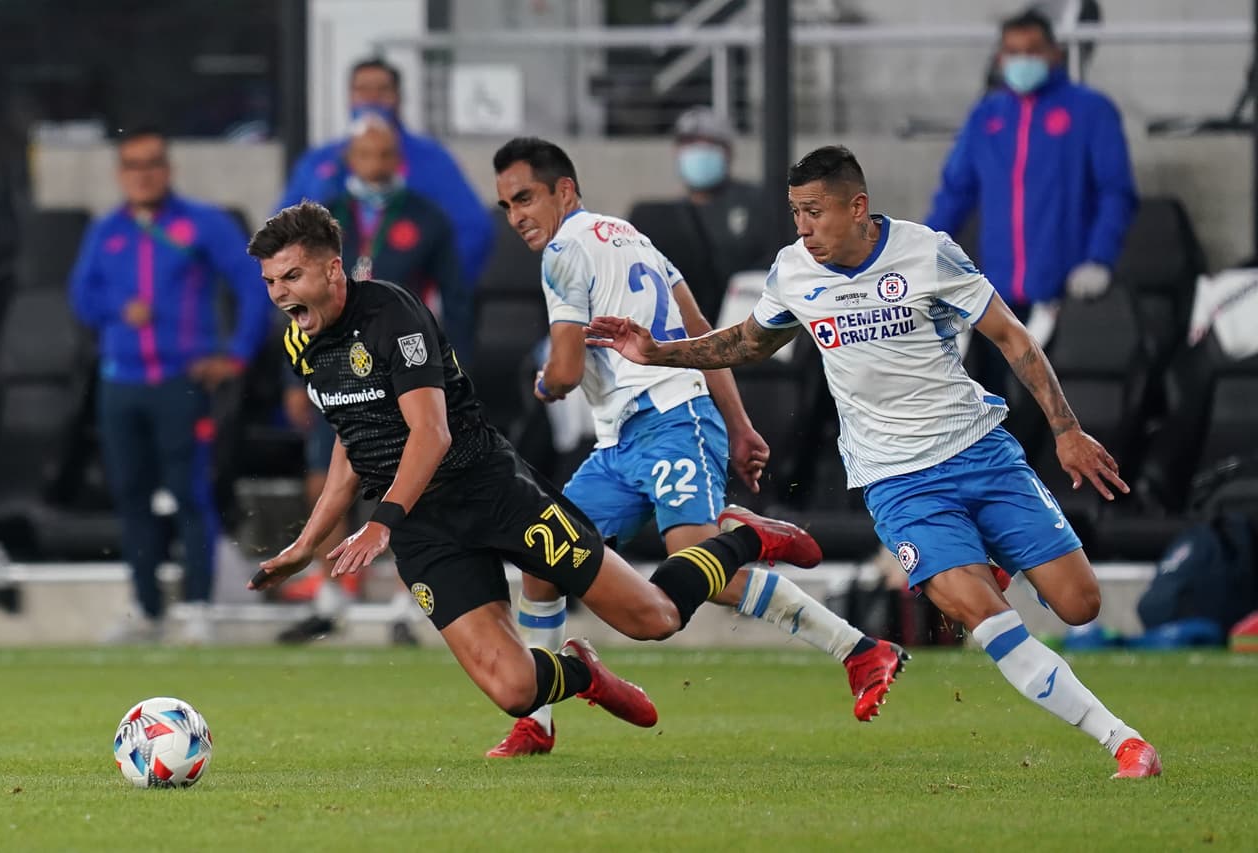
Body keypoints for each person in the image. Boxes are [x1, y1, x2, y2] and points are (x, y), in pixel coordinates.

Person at [586, 145, 1162, 779]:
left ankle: (983, 555)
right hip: (897, 482)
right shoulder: (794, 271)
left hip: (980, 452)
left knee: (1081, 605)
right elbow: (749, 342)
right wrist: (657, 351)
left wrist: (1067, 430)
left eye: (813, 212)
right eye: (794, 213)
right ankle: (1123, 741)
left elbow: (1011, 336)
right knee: (985, 618)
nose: (802, 228)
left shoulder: (926, 252)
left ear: (856, 207)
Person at [246, 201, 825, 742]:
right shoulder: (302, 342)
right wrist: (305, 545)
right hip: (425, 528)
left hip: (491, 492)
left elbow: (432, 432)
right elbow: (355, 436)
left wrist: (380, 524)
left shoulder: (392, 315)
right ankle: (583, 675)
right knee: (515, 690)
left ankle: (749, 536)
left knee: (654, 619)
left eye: (291, 277)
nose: (279, 294)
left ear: (333, 269)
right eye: (271, 281)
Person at [485, 136, 909, 758]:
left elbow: (567, 371)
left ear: (564, 192)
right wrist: (739, 425)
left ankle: (858, 647)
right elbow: (701, 331)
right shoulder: (632, 237)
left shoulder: (563, 253)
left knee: (695, 567)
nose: (518, 214)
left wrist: (545, 382)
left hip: (673, 420)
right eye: (506, 206)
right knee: (543, 564)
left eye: (525, 198)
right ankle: (538, 723)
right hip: (624, 437)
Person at [69, 126, 272, 644]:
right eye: (133, 165)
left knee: (190, 493)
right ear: (121, 174)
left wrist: (237, 355)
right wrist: (119, 310)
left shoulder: (201, 223)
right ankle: (146, 608)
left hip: (180, 383)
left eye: (153, 163)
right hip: (122, 383)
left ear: (168, 169)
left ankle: (199, 606)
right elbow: (81, 300)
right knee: (132, 496)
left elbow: (253, 284)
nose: (144, 174)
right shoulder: (107, 230)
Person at [276, 114, 470, 644]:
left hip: (406, 368)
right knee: (324, 478)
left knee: (415, 478)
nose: (376, 167)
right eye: (366, 157)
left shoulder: (427, 219)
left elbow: (456, 299)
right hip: (336, 366)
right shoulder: (326, 220)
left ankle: (410, 604)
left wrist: (457, 369)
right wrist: (293, 381)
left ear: (396, 161)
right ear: (349, 162)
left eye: (384, 156)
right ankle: (331, 595)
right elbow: (293, 303)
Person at [925, 9, 1136, 394]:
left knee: (1052, 408)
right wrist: (923, 249)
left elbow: (1116, 192)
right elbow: (955, 192)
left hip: (1066, 293)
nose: (1022, 60)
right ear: (1000, 58)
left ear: (1055, 53)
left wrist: (1099, 260)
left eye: (1032, 50)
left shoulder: (1089, 111)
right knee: (995, 405)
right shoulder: (986, 116)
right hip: (996, 295)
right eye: (1013, 51)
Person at [278, 57, 492, 287]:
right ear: (349, 98)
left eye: (382, 90)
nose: (371, 99)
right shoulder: (318, 162)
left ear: (399, 98)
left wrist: (444, 283)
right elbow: (282, 234)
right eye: (362, 90)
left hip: (409, 298)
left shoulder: (431, 159)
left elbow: (474, 229)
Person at [629, 107, 772, 324]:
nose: (697, 151)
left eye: (708, 144)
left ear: (728, 152)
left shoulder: (756, 204)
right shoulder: (663, 218)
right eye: (689, 144)